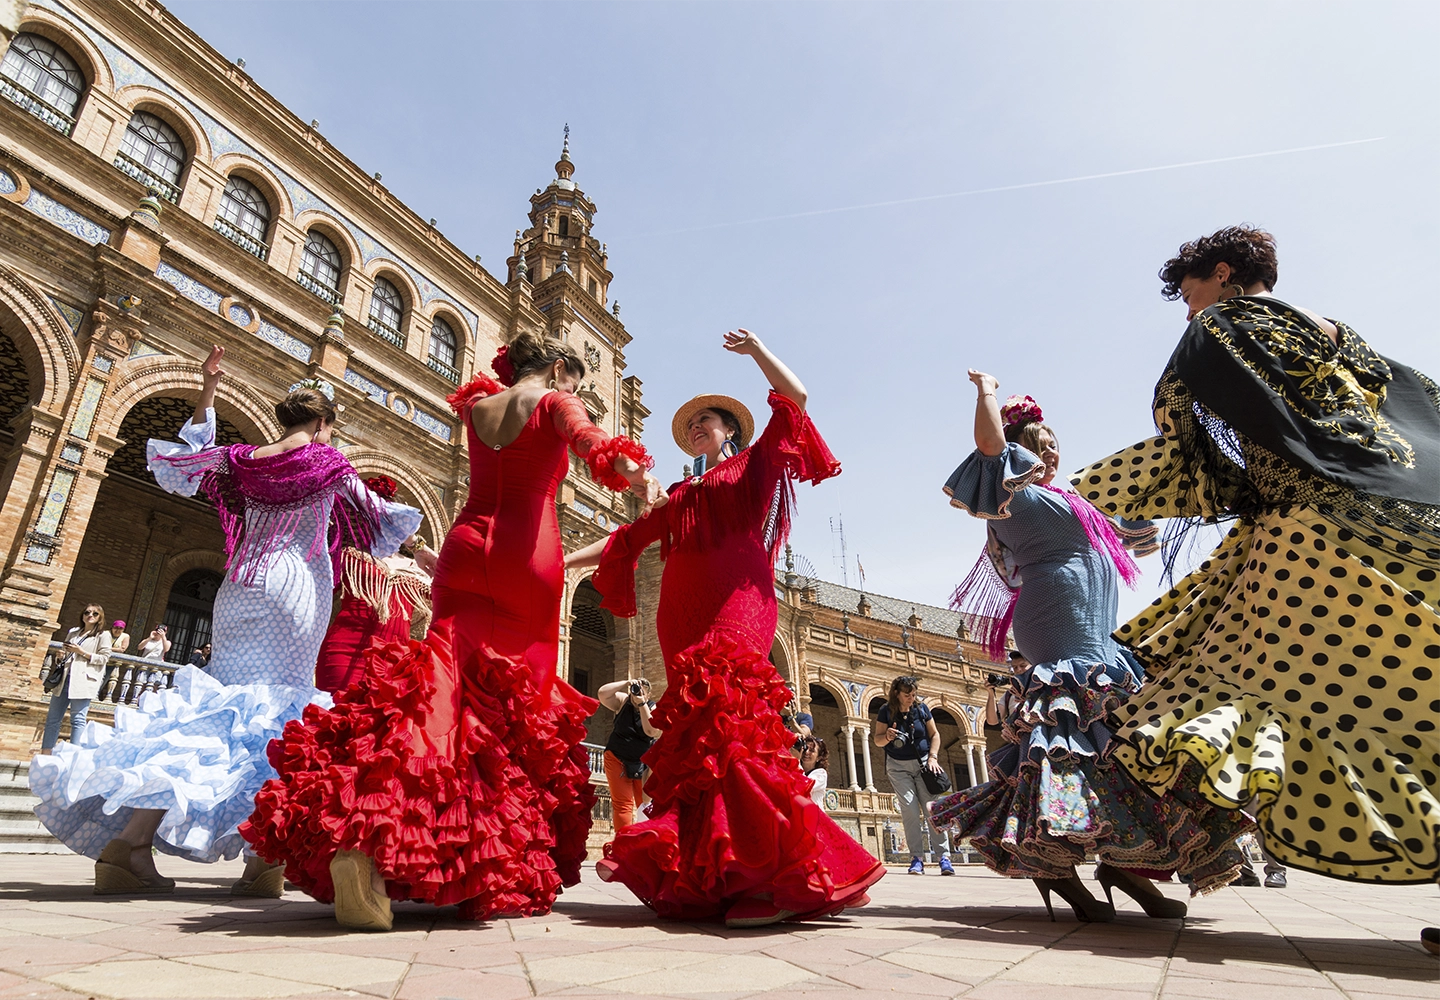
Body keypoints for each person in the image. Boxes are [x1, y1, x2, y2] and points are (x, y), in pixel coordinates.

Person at [1069, 226, 1440, 949]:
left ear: (1224, 272)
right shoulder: (1341, 337)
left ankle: (1129, 849)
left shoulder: (1226, 325)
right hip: (1410, 523)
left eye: (1190, 290)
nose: (1187, 310)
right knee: (1410, 701)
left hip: (1315, 539)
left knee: (1266, 692)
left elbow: (1202, 449)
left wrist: (1101, 491)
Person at [243, 331, 661, 930]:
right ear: (561, 368)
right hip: (527, 556)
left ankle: (366, 838)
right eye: (574, 380)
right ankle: (474, 854)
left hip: (464, 546)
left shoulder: (479, 406)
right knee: (515, 708)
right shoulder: (553, 402)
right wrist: (632, 470)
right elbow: (594, 442)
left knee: (437, 690)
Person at [29, 345, 422, 898]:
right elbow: (374, 516)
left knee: (215, 708)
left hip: (237, 588)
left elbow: (187, 461)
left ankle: (131, 845)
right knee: (279, 716)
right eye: (330, 430)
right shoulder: (326, 461)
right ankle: (262, 861)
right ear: (323, 424)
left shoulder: (243, 461)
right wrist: (424, 554)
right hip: (293, 588)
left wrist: (209, 389)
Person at [568, 328, 885, 928]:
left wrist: (759, 351)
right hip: (679, 616)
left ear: (730, 432)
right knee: (700, 743)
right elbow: (624, 541)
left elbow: (797, 400)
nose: (696, 431)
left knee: (732, 721)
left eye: (706, 423)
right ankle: (721, 872)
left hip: (739, 603)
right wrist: (558, 561)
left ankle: (769, 873)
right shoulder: (680, 492)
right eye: (690, 427)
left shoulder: (752, 467)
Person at [930, 379, 1248, 922]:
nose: (1052, 451)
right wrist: (986, 393)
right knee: (1070, 748)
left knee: (1122, 747)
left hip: (1101, 637)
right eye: (1040, 442)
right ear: (1021, 449)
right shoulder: (1016, 496)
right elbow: (988, 449)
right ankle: (1057, 866)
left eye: (1055, 443)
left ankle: (1126, 864)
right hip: (1059, 630)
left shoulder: (1078, 499)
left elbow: (1143, 516)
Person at [314, 477, 437, 696]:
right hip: (343, 652)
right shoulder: (348, 554)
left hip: (394, 664)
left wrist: (420, 548)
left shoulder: (417, 569)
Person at [874, 676, 954, 875]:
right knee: (909, 810)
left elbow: (934, 735)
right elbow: (877, 740)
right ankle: (916, 858)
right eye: (907, 695)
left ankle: (944, 857)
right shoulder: (886, 711)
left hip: (924, 765)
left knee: (931, 809)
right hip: (898, 767)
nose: (911, 698)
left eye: (914, 694)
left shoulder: (921, 709)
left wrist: (933, 758)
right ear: (897, 694)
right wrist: (887, 737)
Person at [40, 604, 111, 754]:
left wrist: (81, 652)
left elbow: (104, 658)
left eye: (95, 614)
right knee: (53, 719)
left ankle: (73, 755)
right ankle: (46, 754)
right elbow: (66, 655)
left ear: (100, 617)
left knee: (78, 719)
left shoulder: (103, 635)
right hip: (65, 679)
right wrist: (60, 657)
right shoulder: (73, 632)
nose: (90, 615)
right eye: (87, 612)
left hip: (83, 680)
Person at [597, 677, 660, 832]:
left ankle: (644, 839)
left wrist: (642, 703)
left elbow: (651, 731)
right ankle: (622, 844)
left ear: (648, 694)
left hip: (642, 763)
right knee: (622, 804)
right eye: (635, 690)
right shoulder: (624, 701)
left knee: (645, 802)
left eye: (641, 691)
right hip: (617, 757)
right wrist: (626, 683)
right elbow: (602, 693)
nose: (637, 694)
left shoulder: (653, 707)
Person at [983, 651, 1028, 756]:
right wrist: (991, 693)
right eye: (1015, 667)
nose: (1019, 670)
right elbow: (993, 720)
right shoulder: (1010, 695)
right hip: (1021, 744)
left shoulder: (1043, 687)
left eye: (1023, 666)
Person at [799, 736, 829, 807]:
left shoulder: (821, 773)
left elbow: (804, 786)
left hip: (814, 816)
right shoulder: (794, 768)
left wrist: (796, 759)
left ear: (819, 757)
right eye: (805, 748)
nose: (806, 752)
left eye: (812, 751)